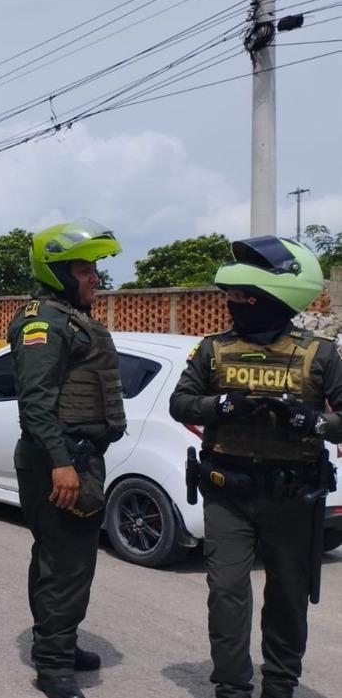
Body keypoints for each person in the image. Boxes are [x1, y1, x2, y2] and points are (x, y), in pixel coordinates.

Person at [169, 236, 341, 698]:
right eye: (229, 296)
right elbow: (180, 402)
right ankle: (232, 687)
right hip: (228, 492)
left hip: (293, 496)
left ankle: (280, 684)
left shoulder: (320, 354)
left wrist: (310, 421)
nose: (232, 304)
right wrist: (223, 405)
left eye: (241, 297)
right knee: (226, 592)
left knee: (288, 595)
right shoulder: (213, 349)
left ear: (270, 300)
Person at [8, 219, 125, 698]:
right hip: (58, 459)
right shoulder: (45, 323)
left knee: (63, 560)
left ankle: (59, 644)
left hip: (76, 456)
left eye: (94, 269)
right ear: (56, 273)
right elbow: (36, 403)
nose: (95, 277)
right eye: (83, 270)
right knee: (65, 564)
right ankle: (54, 667)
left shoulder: (69, 318)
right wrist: (62, 463)